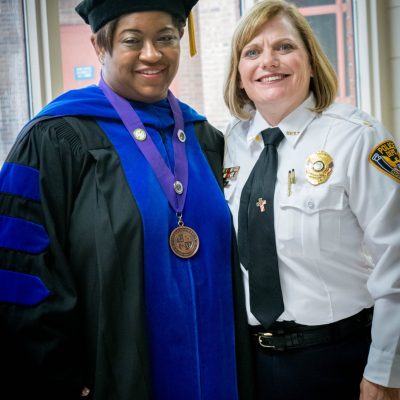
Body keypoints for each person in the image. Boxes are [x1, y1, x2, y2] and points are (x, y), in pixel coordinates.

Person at [0, 1, 253, 399]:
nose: (152, 54)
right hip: (112, 380)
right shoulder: (56, 140)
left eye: (166, 38)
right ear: (100, 47)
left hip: (220, 373)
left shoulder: (206, 140)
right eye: (133, 40)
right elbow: (20, 271)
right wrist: (61, 378)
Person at [223, 1, 400, 399]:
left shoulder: (357, 137)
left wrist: (387, 371)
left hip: (341, 360)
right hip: (250, 367)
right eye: (251, 52)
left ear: (312, 62)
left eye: (284, 47)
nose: (268, 61)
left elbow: (397, 260)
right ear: (238, 75)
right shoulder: (228, 145)